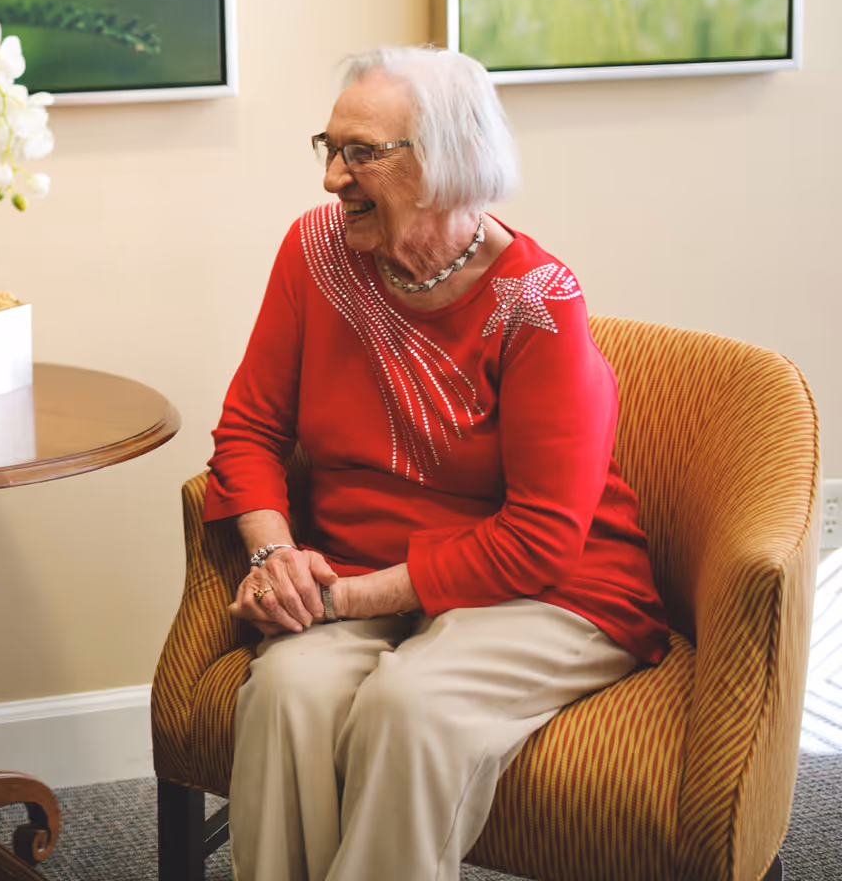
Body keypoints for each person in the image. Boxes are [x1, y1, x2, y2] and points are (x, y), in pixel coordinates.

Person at [205, 45, 667, 881]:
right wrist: (276, 558)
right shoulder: (316, 255)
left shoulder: (538, 303)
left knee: (408, 706)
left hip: (547, 588)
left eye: (361, 154)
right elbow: (248, 430)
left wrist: (340, 598)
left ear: (448, 162)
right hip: (358, 563)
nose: (331, 179)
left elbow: (539, 539)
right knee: (285, 696)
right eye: (330, 147)